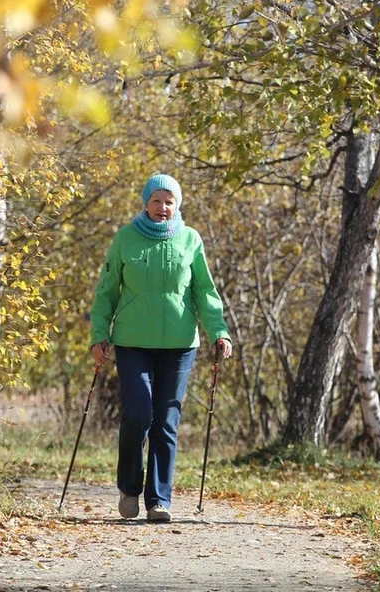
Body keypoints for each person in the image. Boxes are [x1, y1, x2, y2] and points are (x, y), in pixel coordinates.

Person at [90, 173, 233, 523]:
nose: (163, 207)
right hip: (132, 340)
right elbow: (106, 290)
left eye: (169, 201)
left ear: (177, 205)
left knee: (166, 421)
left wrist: (219, 331)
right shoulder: (125, 239)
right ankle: (129, 488)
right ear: (146, 202)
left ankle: (159, 500)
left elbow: (205, 291)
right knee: (139, 414)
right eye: (157, 200)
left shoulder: (190, 240)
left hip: (179, 343)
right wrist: (98, 334)